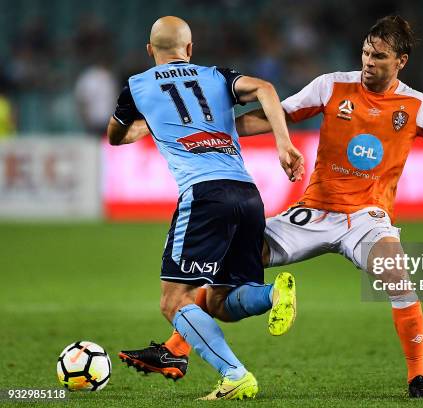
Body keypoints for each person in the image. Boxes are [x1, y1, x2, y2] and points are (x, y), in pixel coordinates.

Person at [120, 15, 423, 399]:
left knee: (395, 274)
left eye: (378, 56)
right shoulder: (332, 86)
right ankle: (177, 348)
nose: (368, 61)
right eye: (365, 52)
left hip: (366, 218)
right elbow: (276, 116)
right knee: (223, 273)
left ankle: (417, 376)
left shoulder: (417, 106)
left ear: (400, 61)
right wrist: (206, 126)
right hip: (312, 213)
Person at [107, 16, 304, 401]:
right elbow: (264, 87)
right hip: (248, 193)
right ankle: (274, 295)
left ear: (150, 51)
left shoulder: (137, 86)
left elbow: (115, 135)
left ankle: (234, 374)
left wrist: (149, 125)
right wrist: (283, 143)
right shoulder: (216, 76)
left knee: (174, 301)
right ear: (190, 49)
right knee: (219, 301)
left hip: (204, 194)